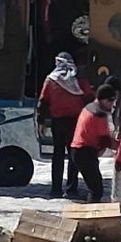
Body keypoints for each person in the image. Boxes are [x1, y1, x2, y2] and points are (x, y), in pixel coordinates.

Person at [37, 52, 93, 198]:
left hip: (57, 121)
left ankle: (55, 189)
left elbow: (43, 101)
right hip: (75, 122)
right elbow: (89, 99)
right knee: (74, 156)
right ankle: (71, 189)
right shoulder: (79, 80)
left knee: (58, 155)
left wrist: (41, 121)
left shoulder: (51, 80)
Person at [71, 84, 119, 202]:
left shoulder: (89, 107)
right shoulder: (99, 114)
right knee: (96, 189)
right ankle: (92, 216)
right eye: (110, 101)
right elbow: (106, 141)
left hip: (78, 149)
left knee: (94, 186)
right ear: (102, 99)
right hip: (85, 152)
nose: (112, 104)